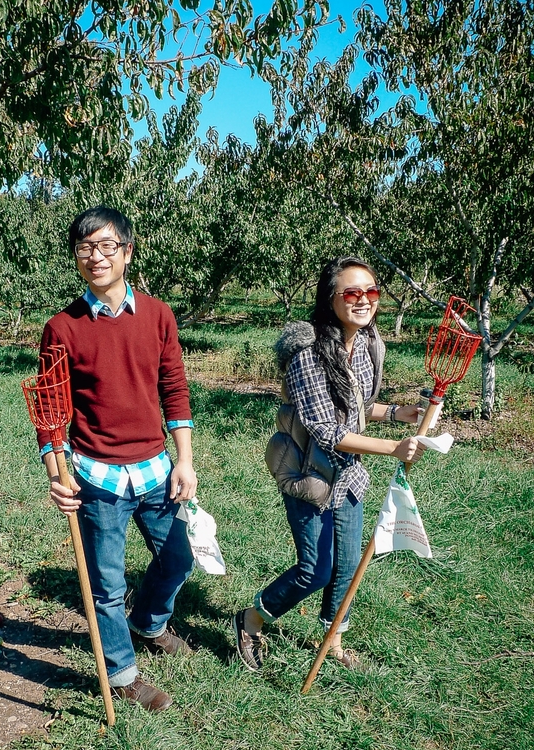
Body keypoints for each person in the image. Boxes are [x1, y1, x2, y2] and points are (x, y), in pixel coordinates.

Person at [36, 206, 197, 712]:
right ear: (76, 257)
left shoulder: (157, 315)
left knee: (177, 558)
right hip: (96, 477)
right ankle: (124, 676)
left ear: (128, 251)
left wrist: (185, 460)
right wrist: (57, 476)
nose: (96, 256)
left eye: (107, 246)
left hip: (154, 471)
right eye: (85, 248)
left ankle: (148, 623)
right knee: (105, 585)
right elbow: (50, 412)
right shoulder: (62, 327)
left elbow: (174, 389)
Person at [234, 256, 425, 672]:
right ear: (330, 299)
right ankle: (251, 619)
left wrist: (398, 412)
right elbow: (326, 430)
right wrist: (392, 447)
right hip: (311, 476)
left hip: (348, 476)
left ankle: (334, 639)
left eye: (371, 292)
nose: (364, 300)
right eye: (352, 293)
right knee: (315, 570)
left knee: (347, 565)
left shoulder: (366, 345)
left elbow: (356, 407)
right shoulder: (308, 356)